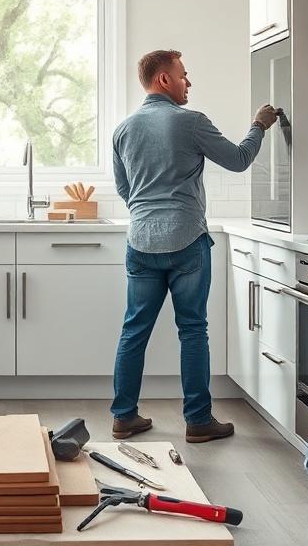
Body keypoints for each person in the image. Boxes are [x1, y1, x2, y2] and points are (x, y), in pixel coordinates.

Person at [110, 50, 277, 443]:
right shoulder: (191, 122)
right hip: (187, 241)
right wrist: (259, 125)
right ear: (164, 80)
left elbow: (124, 189)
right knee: (193, 331)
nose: (189, 83)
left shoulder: (123, 129)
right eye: (184, 76)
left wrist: (147, 212)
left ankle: (123, 416)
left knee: (134, 331)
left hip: (141, 241)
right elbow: (238, 160)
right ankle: (198, 421)